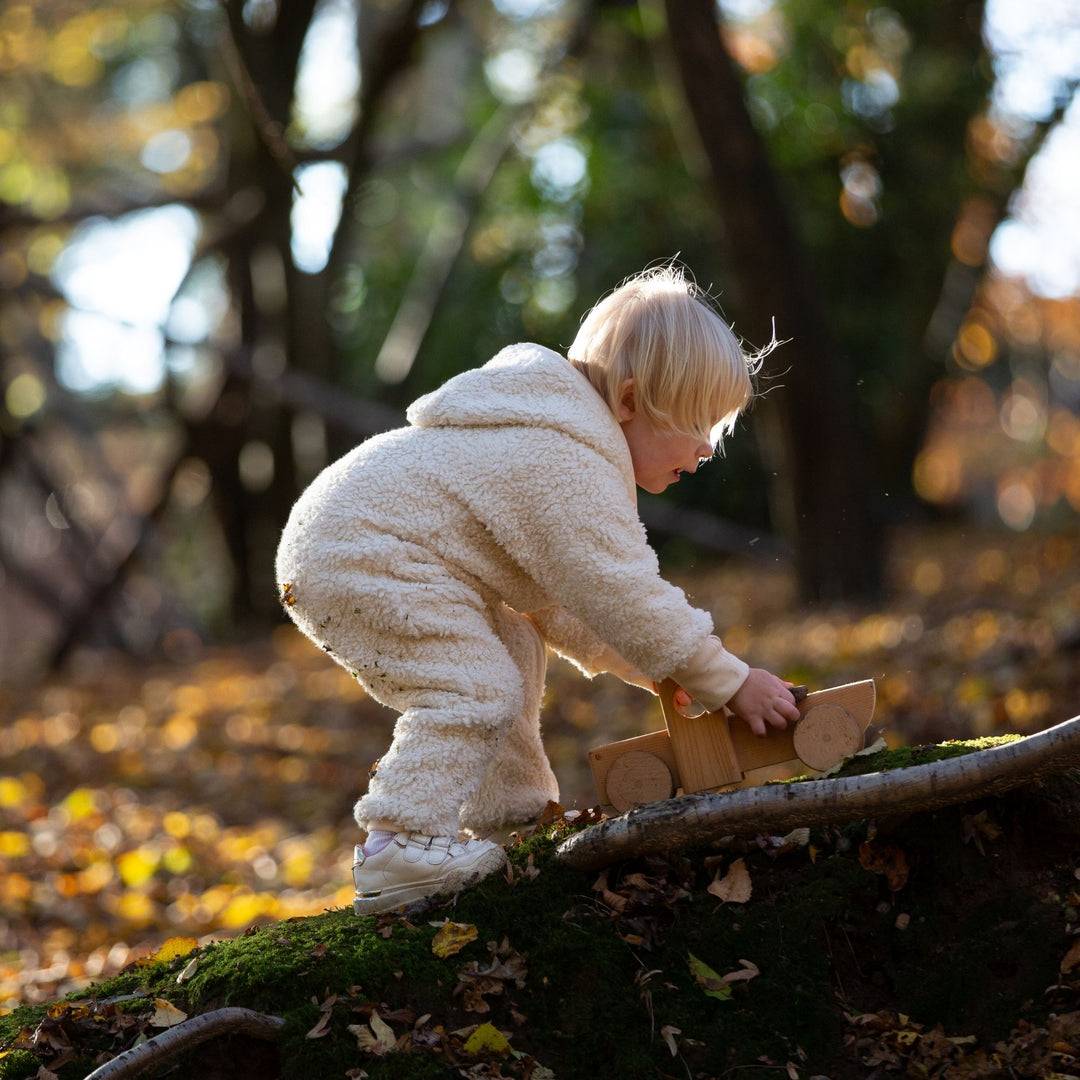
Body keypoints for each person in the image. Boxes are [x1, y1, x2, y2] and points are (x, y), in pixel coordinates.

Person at [274, 263, 801, 916]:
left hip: (360, 544)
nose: (707, 450)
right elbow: (621, 591)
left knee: (513, 644)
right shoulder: (566, 461)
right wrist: (726, 678)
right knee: (472, 686)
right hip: (364, 551)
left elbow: (561, 605)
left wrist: (661, 670)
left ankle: (517, 819)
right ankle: (399, 843)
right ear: (631, 402)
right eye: (699, 424)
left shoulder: (552, 442)